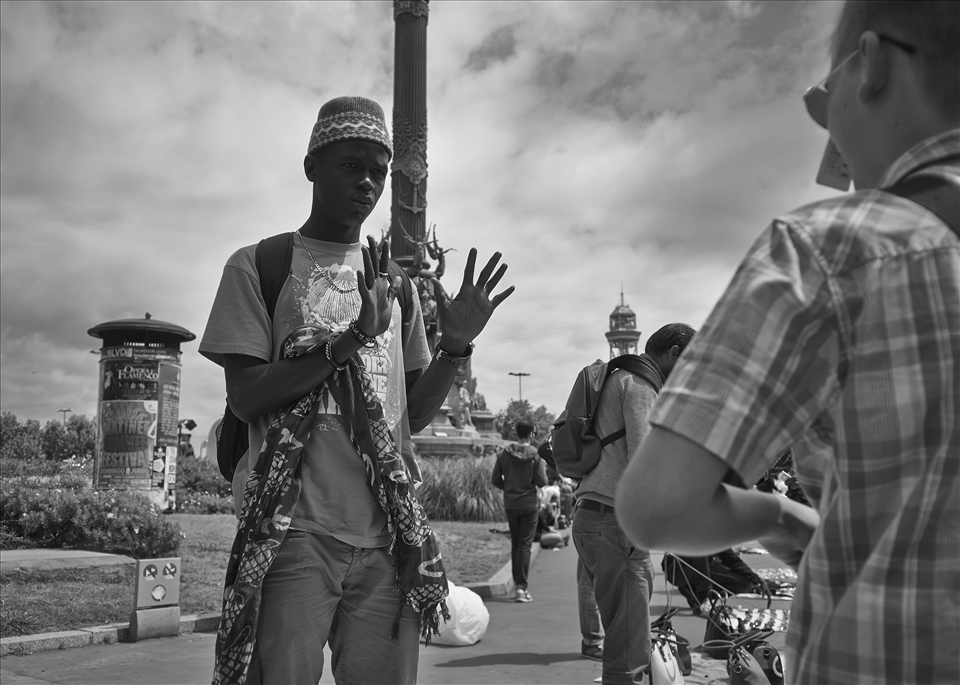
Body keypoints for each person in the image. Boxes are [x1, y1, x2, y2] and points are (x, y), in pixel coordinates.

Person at [616, 3, 959, 683]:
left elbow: (657, 503)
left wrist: (780, 517)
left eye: (822, 102)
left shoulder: (827, 251)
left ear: (873, 65)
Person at [200, 96, 514, 685]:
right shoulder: (259, 266)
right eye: (350, 165)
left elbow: (412, 414)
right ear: (311, 166)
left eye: (378, 169)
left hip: (390, 538)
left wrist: (456, 346)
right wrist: (345, 343)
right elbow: (245, 397)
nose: (367, 181)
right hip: (293, 534)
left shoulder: (400, 287)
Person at [574, 324, 695, 684]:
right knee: (629, 650)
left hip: (597, 518)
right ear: (673, 353)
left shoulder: (619, 377)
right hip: (615, 525)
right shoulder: (640, 387)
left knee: (625, 633)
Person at [491, 421, 547, 603]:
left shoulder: (504, 454)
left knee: (516, 544)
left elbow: (495, 479)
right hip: (529, 503)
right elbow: (542, 481)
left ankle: (518, 586)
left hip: (511, 503)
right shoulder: (535, 455)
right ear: (531, 434)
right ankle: (521, 588)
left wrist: (508, 487)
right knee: (525, 545)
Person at [662, 549, 771, 614]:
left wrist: (757, 579)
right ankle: (702, 598)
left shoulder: (719, 533)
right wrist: (705, 595)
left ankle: (696, 593)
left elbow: (733, 561)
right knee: (701, 551)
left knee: (744, 584)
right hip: (676, 570)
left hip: (700, 568)